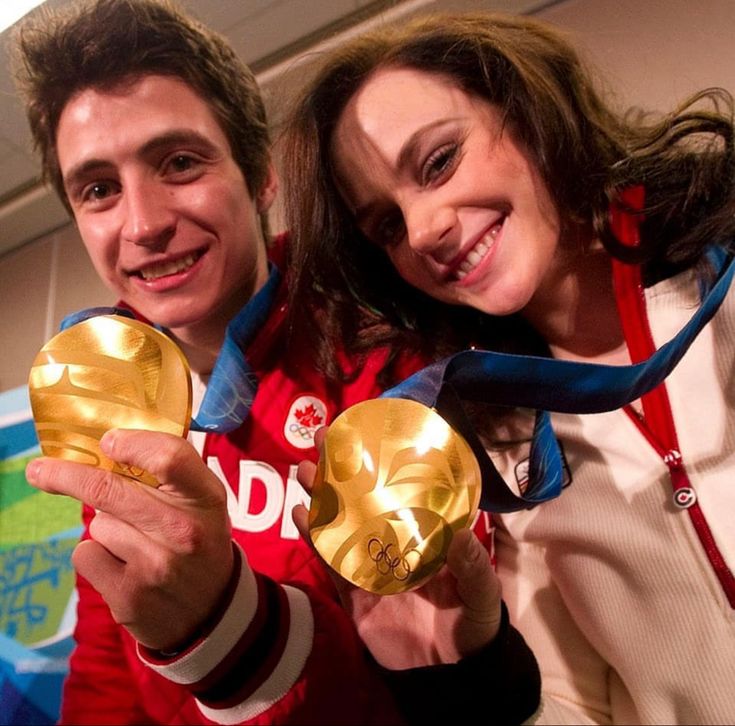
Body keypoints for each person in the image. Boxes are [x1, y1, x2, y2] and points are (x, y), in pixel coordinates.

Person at [13, 1, 540, 724]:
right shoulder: (108, 400)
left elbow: (435, 669)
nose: (143, 223)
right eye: (99, 189)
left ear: (260, 174)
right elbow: (105, 663)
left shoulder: (391, 347)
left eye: (179, 162)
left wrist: (222, 626)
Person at [280, 10, 735, 725]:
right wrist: (478, 675)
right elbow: (580, 711)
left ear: (525, 112)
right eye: (388, 226)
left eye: (437, 162)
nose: (424, 230)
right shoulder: (504, 456)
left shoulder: (723, 274)